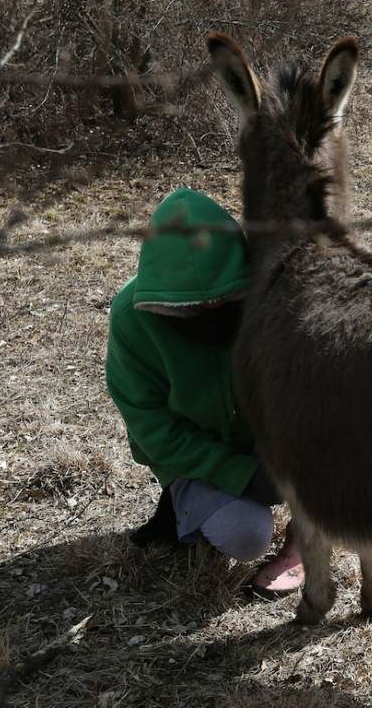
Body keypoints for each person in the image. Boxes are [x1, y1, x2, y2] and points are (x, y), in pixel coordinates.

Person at [105, 187, 304, 598]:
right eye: (196, 305)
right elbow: (152, 426)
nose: (212, 309)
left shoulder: (270, 296)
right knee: (246, 535)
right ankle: (187, 501)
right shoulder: (131, 319)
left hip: (265, 437)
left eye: (223, 297)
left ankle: (304, 544)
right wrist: (239, 473)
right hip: (191, 455)